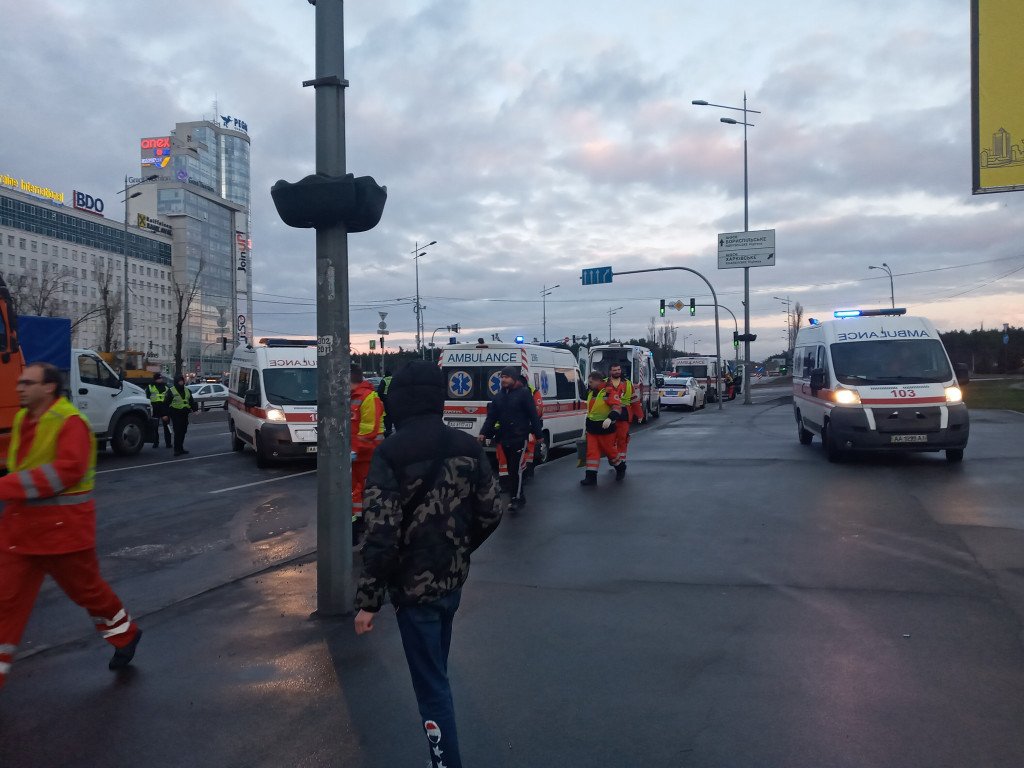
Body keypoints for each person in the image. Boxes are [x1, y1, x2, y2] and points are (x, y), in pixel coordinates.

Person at [354, 361, 502, 768]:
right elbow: (491, 511)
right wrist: (458, 550)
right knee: (437, 672)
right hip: (452, 584)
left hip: (413, 592)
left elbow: (380, 534)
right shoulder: (468, 446)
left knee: (431, 687)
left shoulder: (390, 453)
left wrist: (369, 602)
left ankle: (444, 762)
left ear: (397, 403)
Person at [0, 362, 142, 690]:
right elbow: (20, 464)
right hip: (21, 531)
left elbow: (65, 471)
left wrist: (7, 486)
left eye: (27, 383)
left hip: (63, 534)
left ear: (48, 387)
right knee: (5, 602)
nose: (19, 387)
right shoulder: (23, 418)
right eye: (20, 382)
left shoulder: (71, 422)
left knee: (88, 593)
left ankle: (127, 635)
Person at [479, 365, 542, 512]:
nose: (503, 380)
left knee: (516, 470)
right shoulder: (499, 396)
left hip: (519, 437)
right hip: (504, 438)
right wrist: (484, 433)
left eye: (506, 377)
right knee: (510, 469)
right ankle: (520, 495)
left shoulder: (524, 394)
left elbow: (533, 415)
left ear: (513, 378)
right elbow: (491, 417)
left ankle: (516, 498)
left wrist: (538, 435)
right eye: (502, 377)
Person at [350, 364, 384, 530]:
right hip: (355, 458)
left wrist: (353, 450)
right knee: (353, 495)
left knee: (363, 494)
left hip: (366, 457)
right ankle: (355, 528)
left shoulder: (368, 397)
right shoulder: (350, 397)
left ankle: (361, 528)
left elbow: (369, 431)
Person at [581, 370, 624, 486]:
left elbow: (617, 407)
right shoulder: (591, 392)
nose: (589, 384)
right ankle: (590, 477)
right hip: (592, 428)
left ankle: (620, 468)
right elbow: (592, 411)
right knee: (592, 454)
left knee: (610, 452)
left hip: (605, 428)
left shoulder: (608, 392)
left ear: (598, 381)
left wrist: (610, 418)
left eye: (591, 382)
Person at [605, 363, 643, 467]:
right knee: (610, 439)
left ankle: (622, 461)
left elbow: (634, 400)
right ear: (610, 371)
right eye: (614, 370)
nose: (617, 372)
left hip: (624, 414)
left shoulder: (628, 383)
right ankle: (613, 458)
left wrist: (639, 414)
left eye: (618, 369)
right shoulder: (604, 383)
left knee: (622, 438)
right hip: (608, 413)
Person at [168, 374, 198, 456]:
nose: (181, 382)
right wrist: (166, 414)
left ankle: (181, 448)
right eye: (180, 381)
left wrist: (195, 409)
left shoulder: (187, 390)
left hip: (184, 414)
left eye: (182, 381)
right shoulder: (171, 390)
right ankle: (176, 450)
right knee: (177, 432)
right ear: (176, 382)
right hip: (175, 414)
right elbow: (166, 403)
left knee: (183, 431)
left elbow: (191, 401)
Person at [147, 372, 172, 448]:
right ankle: (155, 442)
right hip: (155, 409)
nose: (160, 380)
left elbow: (170, 397)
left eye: (161, 378)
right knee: (155, 427)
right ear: (155, 379)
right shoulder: (150, 387)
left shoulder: (166, 386)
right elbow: (147, 397)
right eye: (158, 378)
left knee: (167, 427)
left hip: (165, 408)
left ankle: (168, 443)